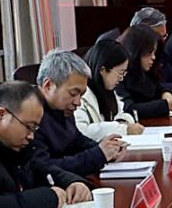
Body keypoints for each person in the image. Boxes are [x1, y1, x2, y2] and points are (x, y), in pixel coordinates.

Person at [0, 82, 96, 208]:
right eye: (29, 127)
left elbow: (39, 166)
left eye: (35, 129)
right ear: (0, 116)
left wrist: (71, 182)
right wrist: (48, 198)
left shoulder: (13, 141)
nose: (31, 136)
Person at [34, 50, 126, 180]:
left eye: (81, 95)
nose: (78, 102)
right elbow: (44, 168)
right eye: (73, 94)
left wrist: (106, 148)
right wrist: (97, 155)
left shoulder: (62, 108)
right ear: (48, 86)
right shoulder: (30, 115)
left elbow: (76, 140)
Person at [122, 24, 172, 120]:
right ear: (136, 51)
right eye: (149, 53)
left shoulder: (146, 71)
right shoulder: (120, 75)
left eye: (154, 53)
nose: (153, 57)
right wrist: (167, 104)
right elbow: (129, 109)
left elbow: (157, 87)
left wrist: (166, 95)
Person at [77, 37, 140, 140]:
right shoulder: (80, 95)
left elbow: (119, 115)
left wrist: (124, 122)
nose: (121, 79)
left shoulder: (108, 91)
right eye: (120, 73)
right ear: (103, 69)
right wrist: (122, 129)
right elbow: (82, 131)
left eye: (124, 73)